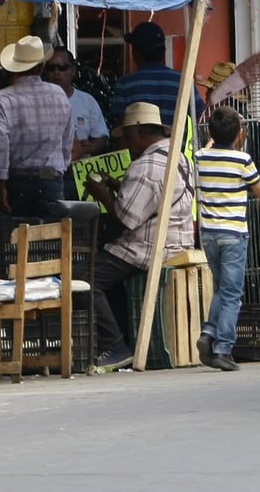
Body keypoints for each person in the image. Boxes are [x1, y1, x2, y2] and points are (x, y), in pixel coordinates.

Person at [80, 102, 196, 370]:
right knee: (107, 275)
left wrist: (101, 194)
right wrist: (115, 184)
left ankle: (115, 346)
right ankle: (123, 339)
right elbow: (152, 197)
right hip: (177, 241)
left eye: (128, 136)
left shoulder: (145, 165)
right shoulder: (180, 159)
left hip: (150, 246)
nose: (126, 143)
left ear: (140, 133)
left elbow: (125, 218)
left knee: (85, 279)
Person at [195, 106, 260, 372]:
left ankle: (209, 333)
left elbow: (210, 145)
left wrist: (215, 136)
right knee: (232, 294)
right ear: (240, 133)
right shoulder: (242, 160)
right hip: (234, 235)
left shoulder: (201, 157)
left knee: (222, 288)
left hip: (209, 234)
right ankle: (223, 348)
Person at [0, 35, 73, 219]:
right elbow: (67, 140)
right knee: (51, 235)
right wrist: (61, 167)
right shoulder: (59, 94)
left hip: (18, 180)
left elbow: (0, 144)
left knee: (19, 233)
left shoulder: (2, 98)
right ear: (41, 66)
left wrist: (1, 183)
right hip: (51, 178)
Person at [110, 21, 204, 128]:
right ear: (163, 51)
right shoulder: (183, 81)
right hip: (177, 139)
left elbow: (119, 126)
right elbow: (200, 116)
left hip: (140, 139)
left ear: (136, 53)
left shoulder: (124, 85)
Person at [43, 47, 109, 199]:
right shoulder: (36, 101)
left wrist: (91, 146)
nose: (57, 72)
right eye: (51, 68)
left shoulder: (87, 101)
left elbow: (101, 137)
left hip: (81, 173)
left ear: (73, 70)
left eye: (62, 67)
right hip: (47, 174)